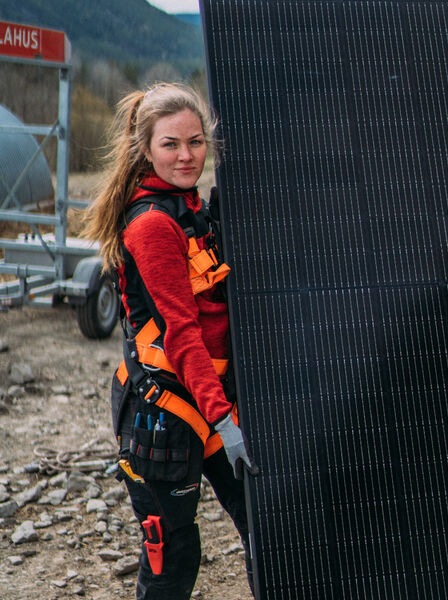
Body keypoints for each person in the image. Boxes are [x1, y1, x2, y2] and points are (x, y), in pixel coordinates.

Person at [83, 82, 258, 599]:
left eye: (196, 142)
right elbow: (181, 333)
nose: (187, 155)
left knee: (267, 528)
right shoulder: (153, 225)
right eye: (171, 144)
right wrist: (226, 423)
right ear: (145, 149)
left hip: (211, 399)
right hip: (166, 413)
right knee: (173, 556)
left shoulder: (191, 208)